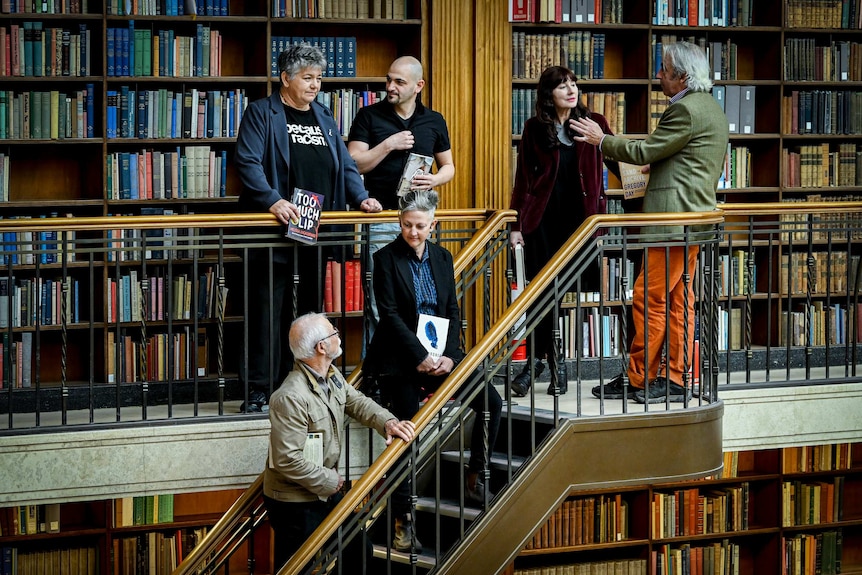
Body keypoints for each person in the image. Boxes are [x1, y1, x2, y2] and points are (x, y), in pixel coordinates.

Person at [571, 40, 729, 404]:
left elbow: (645, 150)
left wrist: (603, 139)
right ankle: (675, 376)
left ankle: (642, 378)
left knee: (649, 297)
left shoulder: (685, 111)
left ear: (681, 76)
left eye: (663, 70)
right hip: (691, 220)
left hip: (672, 222)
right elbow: (686, 158)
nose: (658, 75)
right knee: (678, 300)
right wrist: (656, 164)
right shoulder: (709, 108)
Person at [234, 43, 383, 412]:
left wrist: (361, 197)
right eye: (307, 77)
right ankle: (259, 388)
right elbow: (247, 162)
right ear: (285, 79)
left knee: (307, 315)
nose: (315, 85)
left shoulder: (324, 115)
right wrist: (273, 199)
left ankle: (300, 384)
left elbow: (345, 166)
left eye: (318, 78)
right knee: (267, 314)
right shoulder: (262, 113)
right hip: (273, 231)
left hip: (316, 230)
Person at [365, 190, 502, 551]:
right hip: (401, 356)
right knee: (406, 429)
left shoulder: (443, 257)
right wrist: (419, 356)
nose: (413, 232)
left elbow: (453, 311)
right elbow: (389, 315)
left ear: (433, 225)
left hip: (441, 354)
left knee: (491, 401)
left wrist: (452, 358)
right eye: (408, 225)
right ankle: (402, 518)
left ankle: (474, 476)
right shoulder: (385, 259)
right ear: (399, 222)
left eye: (421, 226)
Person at [263, 312, 416, 571]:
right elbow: (287, 459)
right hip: (294, 501)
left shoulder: (330, 374)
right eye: (333, 332)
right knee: (297, 566)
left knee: (359, 550)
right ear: (321, 347)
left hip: (321, 490)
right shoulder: (290, 397)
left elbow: (355, 401)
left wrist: (387, 422)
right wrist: (332, 481)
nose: (338, 333)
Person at [508, 66, 619, 398]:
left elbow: (617, 160)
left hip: (581, 223)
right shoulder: (534, 129)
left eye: (573, 84)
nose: (571, 90)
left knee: (556, 294)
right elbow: (523, 181)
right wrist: (516, 226)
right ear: (548, 94)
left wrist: (645, 177)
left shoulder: (594, 123)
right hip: (542, 222)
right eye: (562, 86)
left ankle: (538, 364)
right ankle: (555, 366)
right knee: (544, 294)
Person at [347, 56, 454, 348]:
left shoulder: (434, 120)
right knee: (380, 299)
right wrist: (388, 145)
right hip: (381, 218)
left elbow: (449, 167)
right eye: (389, 79)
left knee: (426, 294)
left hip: (421, 219)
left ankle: (423, 363)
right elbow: (354, 163)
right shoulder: (368, 115)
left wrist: (434, 180)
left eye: (399, 82)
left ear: (418, 85)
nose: (390, 86)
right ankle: (382, 373)